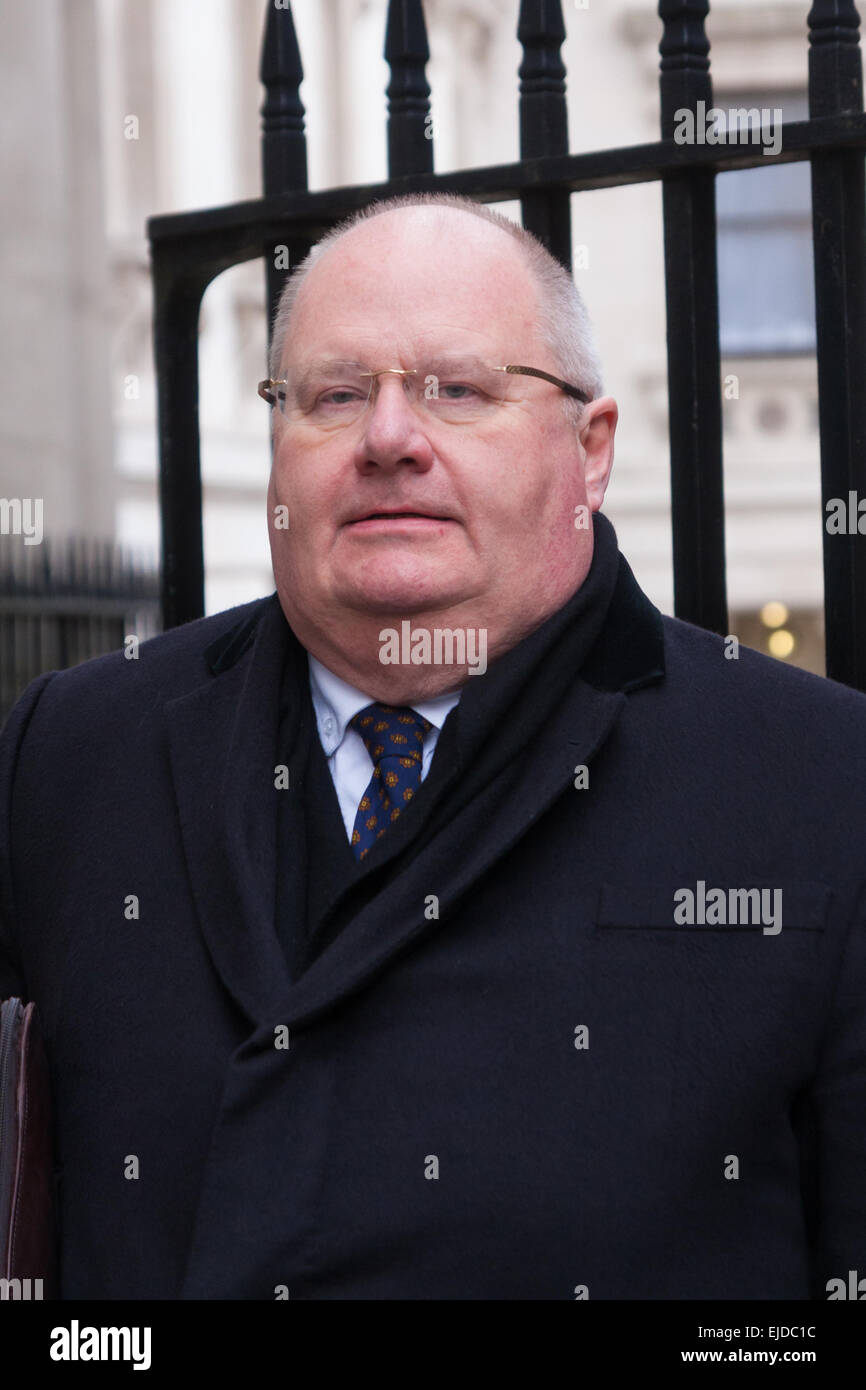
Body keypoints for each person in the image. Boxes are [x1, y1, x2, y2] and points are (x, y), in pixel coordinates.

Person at [1, 192, 864, 1301]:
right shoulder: (70, 752)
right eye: (335, 394)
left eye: (457, 389)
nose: (389, 438)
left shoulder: (816, 784)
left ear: (587, 450)